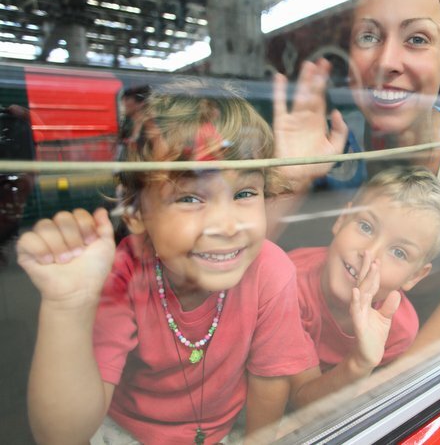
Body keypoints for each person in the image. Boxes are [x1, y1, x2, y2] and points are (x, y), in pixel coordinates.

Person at [16, 79, 319, 444]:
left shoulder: (271, 271)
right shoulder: (123, 276)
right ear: (135, 213)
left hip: (220, 432)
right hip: (126, 432)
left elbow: (269, 378)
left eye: (244, 193)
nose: (226, 226)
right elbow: (61, 437)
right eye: (190, 198)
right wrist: (67, 306)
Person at [273, 0, 440, 354]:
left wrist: (389, 382)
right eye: (368, 36)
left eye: (417, 39)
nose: (386, 61)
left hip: (424, 336)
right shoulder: (335, 142)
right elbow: (240, 264)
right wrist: (293, 176)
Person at [287, 167, 440, 405]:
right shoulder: (287, 287)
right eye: (366, 226)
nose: (370, 254)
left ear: (415, 276)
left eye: (398, 252)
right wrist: (358, 363)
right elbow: (298, 399)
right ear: (342, 220)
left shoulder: (398, 330)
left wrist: (363, 362)